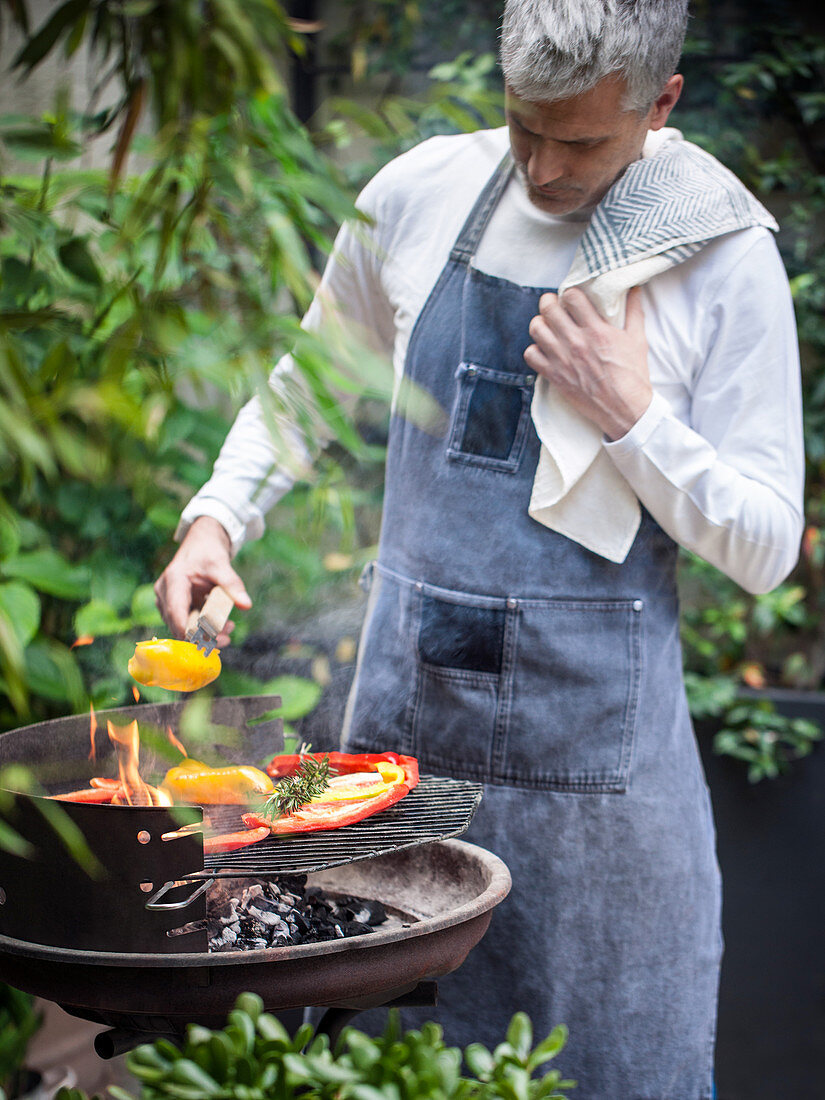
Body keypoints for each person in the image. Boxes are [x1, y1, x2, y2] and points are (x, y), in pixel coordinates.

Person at [155, 3, 804, 1096]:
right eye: (523, 128)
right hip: (393, 769)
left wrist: (632, 412)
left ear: (663, 102)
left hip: (597, 801)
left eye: (584, 142)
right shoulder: (418, 195)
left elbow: (768, 544)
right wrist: (217, 518)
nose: (545, 168)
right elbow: (307, 385)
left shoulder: (721, 260)